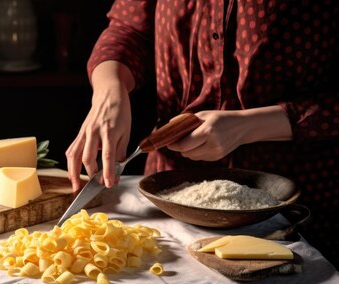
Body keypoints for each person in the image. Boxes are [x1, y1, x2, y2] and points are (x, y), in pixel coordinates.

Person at [66, 1, 339, 269]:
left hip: (296, 212)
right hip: (170, 202)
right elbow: (129, 30)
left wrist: (251, 125)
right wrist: (109, 89)